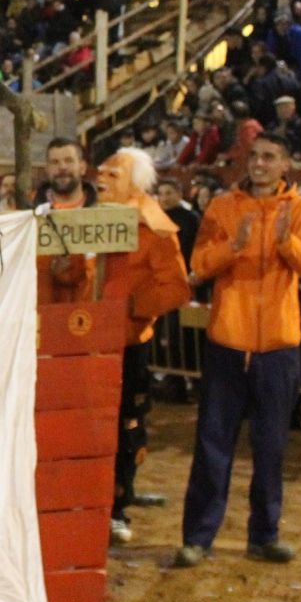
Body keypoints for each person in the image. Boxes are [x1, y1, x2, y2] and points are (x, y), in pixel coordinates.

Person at [175, 134, 301, 567]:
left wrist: (286, 244)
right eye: (255, 156)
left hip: (278, 348)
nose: (259, 163)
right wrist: (233, 247)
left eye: (269, 157)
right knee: (212, 445)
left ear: (286, 164)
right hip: (228, 343)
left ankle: (264, 535)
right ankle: (198, 538)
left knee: (272, 446)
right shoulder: (223, 207)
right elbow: (199, 267)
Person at [94, 148, 190, 546]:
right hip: (86, 342)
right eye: (101, 171)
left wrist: (132, 309)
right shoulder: (84, 217)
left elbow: (176, 287)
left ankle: (119, 504)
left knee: (127, 427)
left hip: (129, 344)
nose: (101, 178)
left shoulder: (154, 228)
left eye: (113, 174)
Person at [36, 137, 98, 303]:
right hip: (46, 318)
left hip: (94, 318)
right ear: (47, 170)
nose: (62, 167)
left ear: (83, 167)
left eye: (69, 161)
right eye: (55, 162)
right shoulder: (32, 217)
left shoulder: (104, 215)